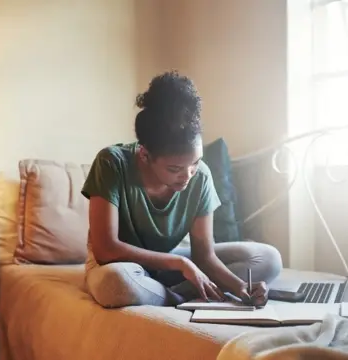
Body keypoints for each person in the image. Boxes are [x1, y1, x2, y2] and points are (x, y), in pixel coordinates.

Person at [81, 71, 283, 308]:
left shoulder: (201, 177)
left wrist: (241, 288)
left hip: (170, 264)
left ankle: (161, 293)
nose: (187, 175)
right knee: (114, 284)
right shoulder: (112, 164)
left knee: (269, 259)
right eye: (175, 168)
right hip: (121, 265)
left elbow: (204, 256)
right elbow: (106, 249)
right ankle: (178, 297)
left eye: (195, 163)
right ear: (145, 155)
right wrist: (179, 264)